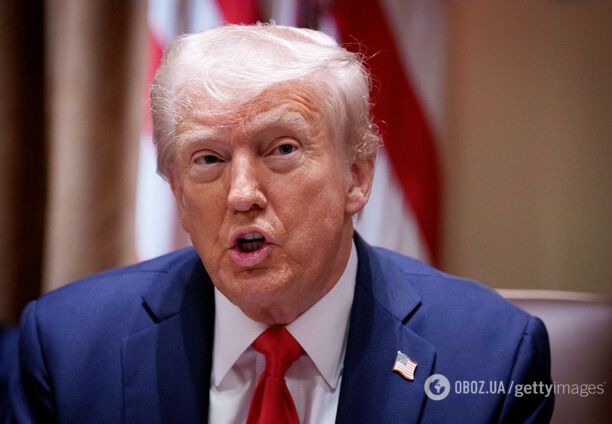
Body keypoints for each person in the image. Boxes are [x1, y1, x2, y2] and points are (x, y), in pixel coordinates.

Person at [9, 24, 553, 423]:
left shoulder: (492, 359)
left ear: (357, 177)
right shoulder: (67, 349)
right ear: (177, 192)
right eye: (208, 159)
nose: (242, 194)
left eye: (282, 149)